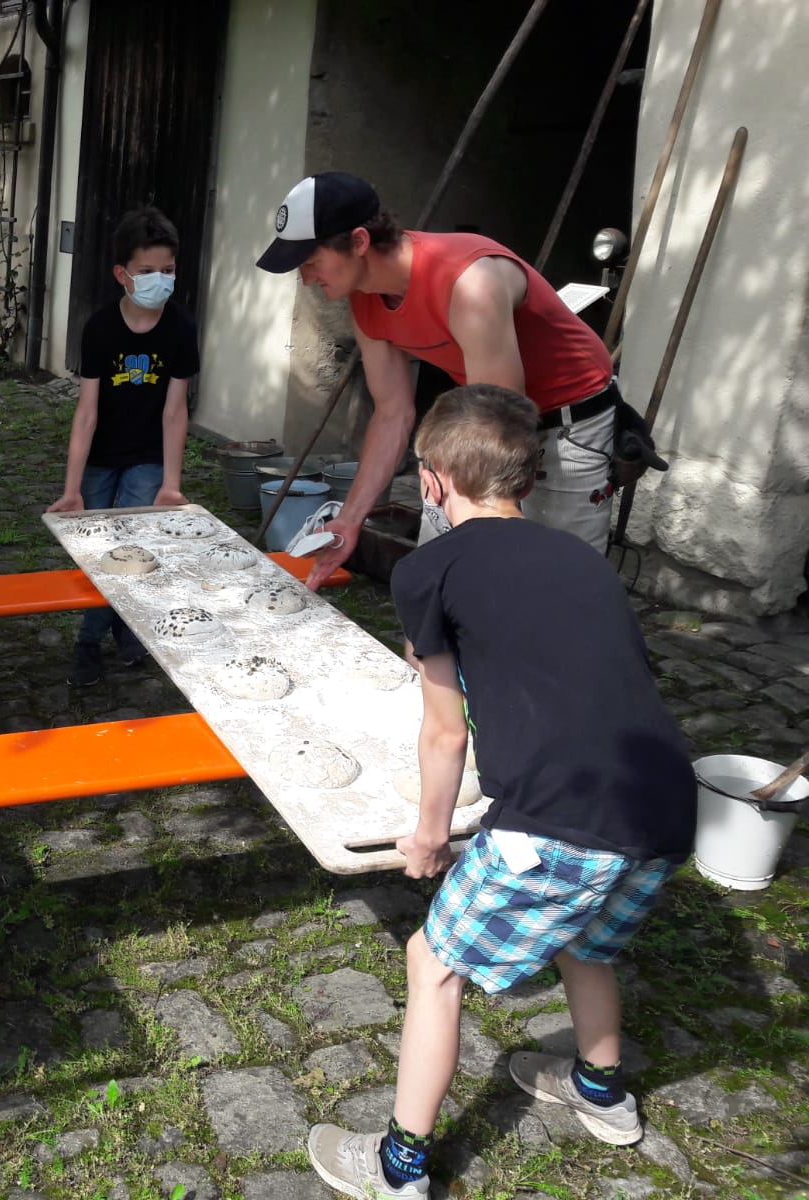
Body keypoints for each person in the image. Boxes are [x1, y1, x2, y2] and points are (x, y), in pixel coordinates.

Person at [303, 384, 696, 1199]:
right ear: (523, 478)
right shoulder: (582, 557)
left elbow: (445, 730)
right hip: (662, 806)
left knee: (432, 961)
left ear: (435, 479)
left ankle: (398, 1167)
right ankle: (599, 1094)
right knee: (587, 941)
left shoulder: (428, 569)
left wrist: (428, 836)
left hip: (559, 822)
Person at [256, 172, 621, 589]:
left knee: (561, 583)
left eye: (310, 262)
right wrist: (349, 521)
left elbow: (499, 425)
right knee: (443, 578)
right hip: (486, 419)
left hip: (569, 422)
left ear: (358, 242)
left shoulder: (468, 281)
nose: (306, 279)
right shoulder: (363, 298)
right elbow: (392, 412)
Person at [46, 206, 197, 686]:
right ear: (122, 274)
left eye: (168, 271)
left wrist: (171, 483)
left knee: (133, 549)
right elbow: (86, 412)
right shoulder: (100, 328)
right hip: (100, 459)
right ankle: (99, 636)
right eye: (148, 272)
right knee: (97, 553)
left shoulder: (181, 329)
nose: (160, 280)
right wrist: (72, 489)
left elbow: (176, 410)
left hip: (147, 459)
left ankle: (112, 633)